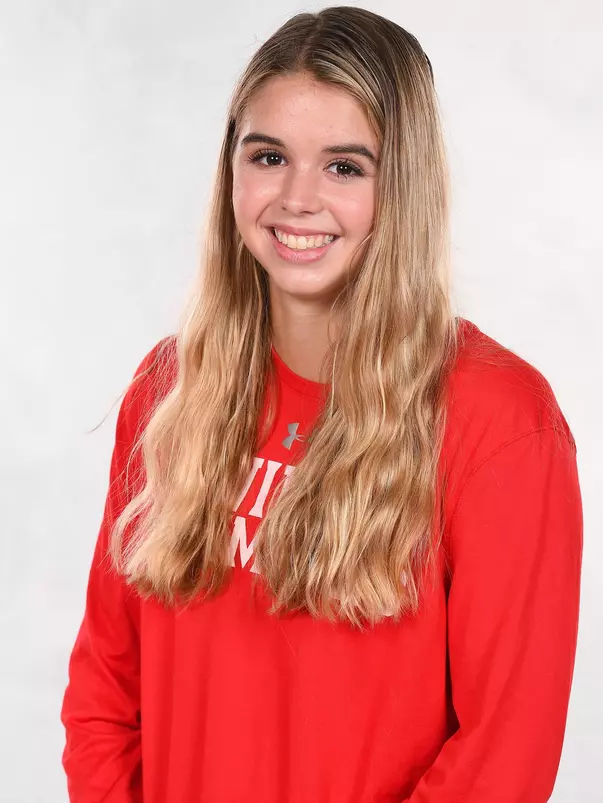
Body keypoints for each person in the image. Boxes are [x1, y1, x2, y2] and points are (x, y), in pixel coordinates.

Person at [60, 6, 583, 802]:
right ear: (230, 169)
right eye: (268, 155)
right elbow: (105, 688)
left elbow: (502, 755)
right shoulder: (169, 392)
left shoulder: (496, 419)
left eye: (345, 167)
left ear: (401, 184)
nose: (296, 198)